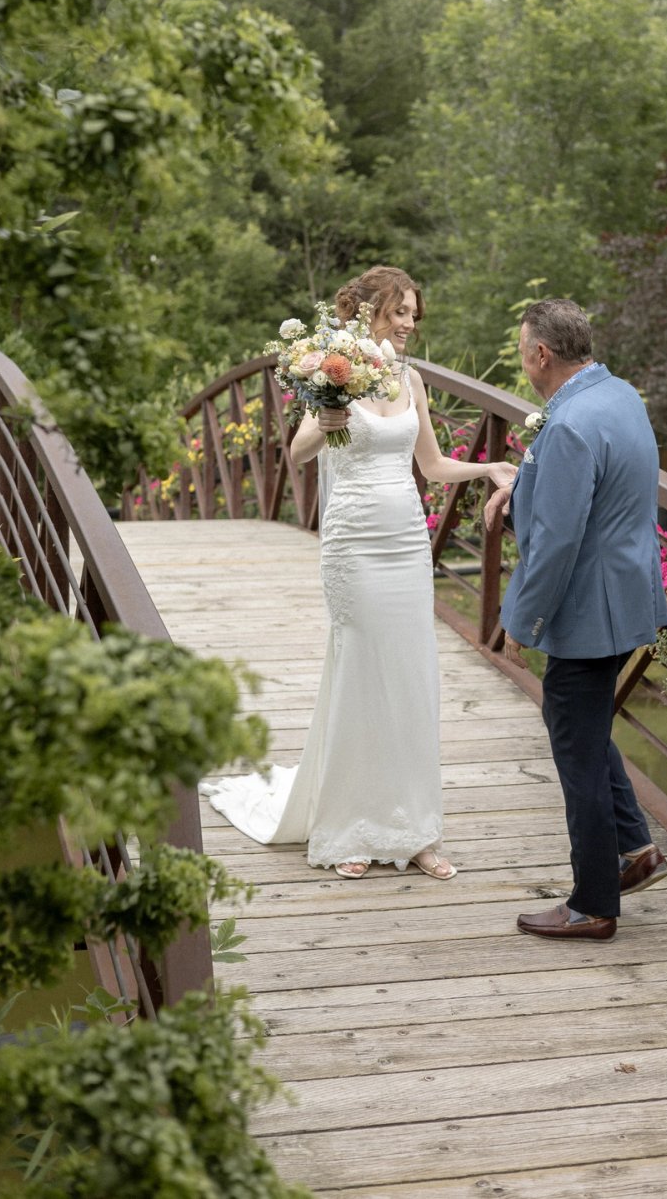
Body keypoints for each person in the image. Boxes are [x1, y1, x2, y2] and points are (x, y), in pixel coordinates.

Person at [202, 266, 515, 880]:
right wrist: (325, 423)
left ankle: (417, 828)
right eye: (400, 312)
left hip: (404, 544)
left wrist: (488, 470)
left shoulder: (412, 378)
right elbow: (295, 453)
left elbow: (430, 465)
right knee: (361, 674)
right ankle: (352, 825)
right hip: (352, 544)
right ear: (371, 309)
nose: (408, 325)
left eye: (413, 315)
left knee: (410, 675)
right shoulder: (333, 371)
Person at [484, 299, 667, 939]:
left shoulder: (566, 425)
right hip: (626, 594)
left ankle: (593, 903)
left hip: (590, 608)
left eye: (520, 345)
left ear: (541, 354)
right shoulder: (617, 395)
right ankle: (635, 851)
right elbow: (595, 491)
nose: (519, 355)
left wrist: (520, 622)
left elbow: (561, 540)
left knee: (575, 746)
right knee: (582, 727)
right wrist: (518, 497)